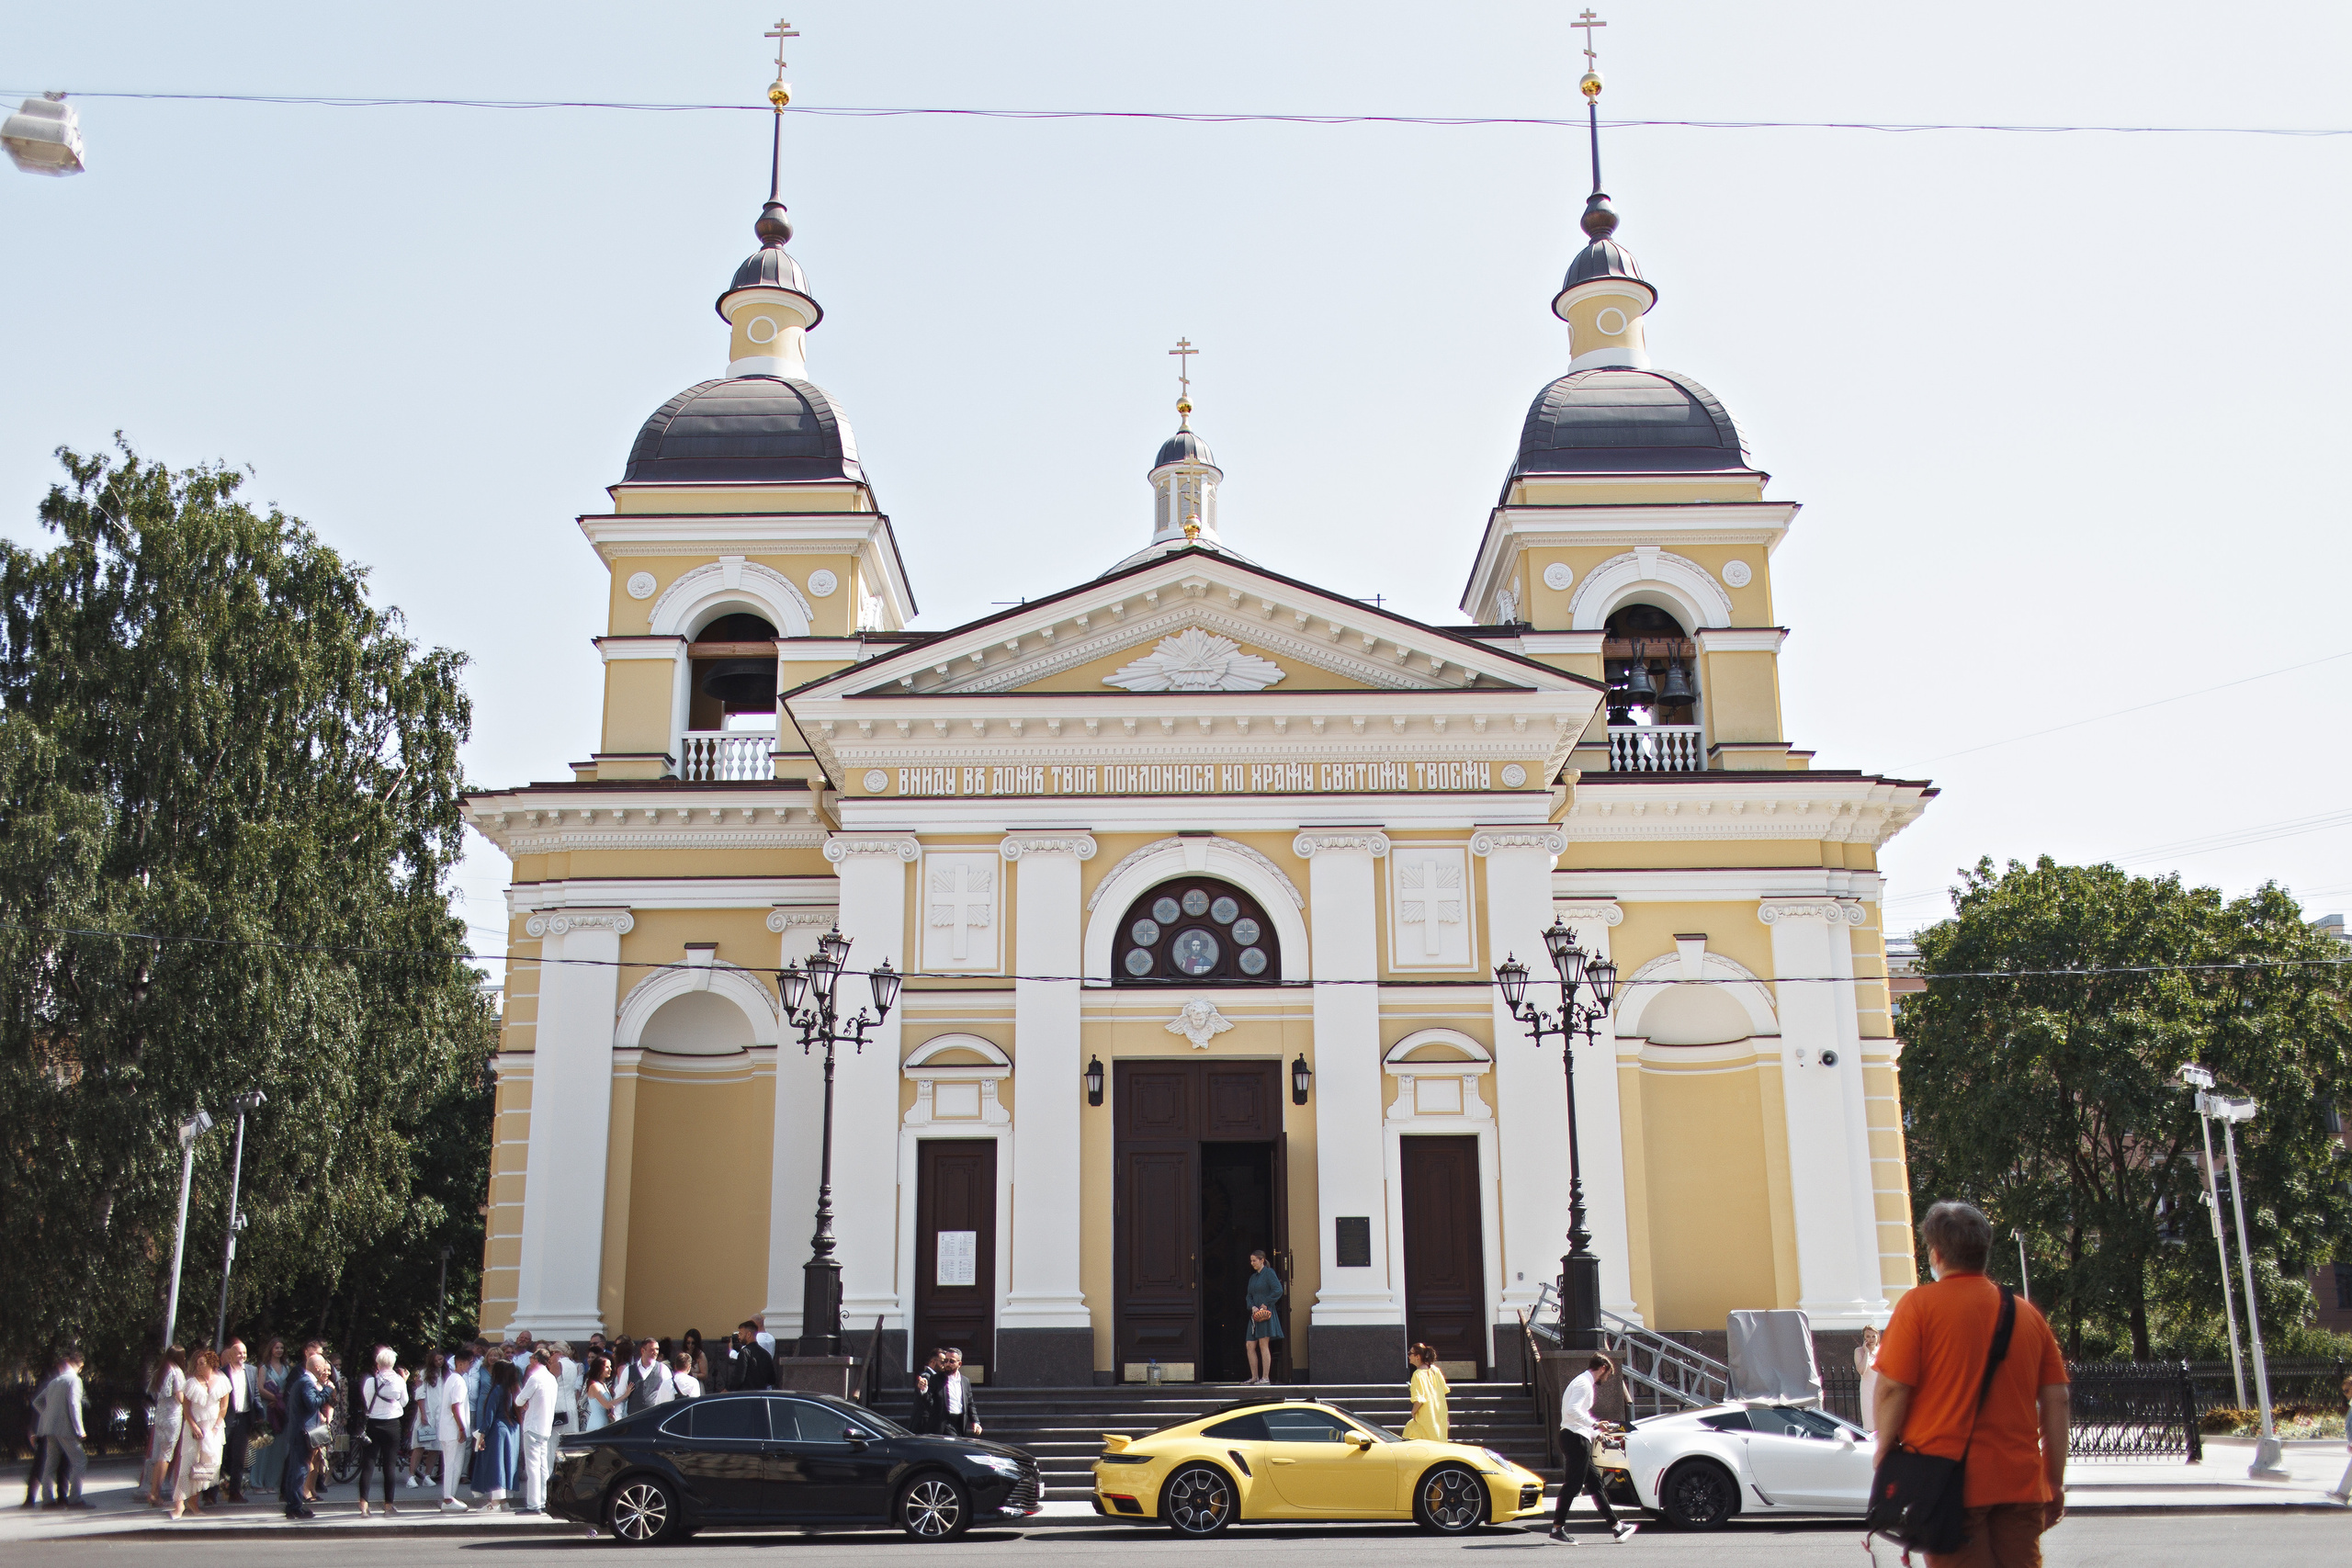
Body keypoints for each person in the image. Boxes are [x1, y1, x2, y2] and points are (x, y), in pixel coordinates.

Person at [1874, 1201, 2069, 1568]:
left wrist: (1885, 1450)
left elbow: (1892, 1388)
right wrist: (2053, 1481)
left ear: (1936, 1253)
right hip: (2021, 1482)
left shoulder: (1919, 1306)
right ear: (1984, 1250)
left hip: (1946, 1484)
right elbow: (2057, 1400)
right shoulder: (2025, 1314)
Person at [1550, 1351, 1638, 1544]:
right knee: (1573, 1485)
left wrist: (1598, 1432)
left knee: (1595, 1484)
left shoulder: (1581, 1381)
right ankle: (1557, 1528)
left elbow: (1577, 1417)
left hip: (1577, 1437)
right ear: (1603, 1368)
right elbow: (1572, 1411)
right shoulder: (1583, 1383)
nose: (1606, 1379)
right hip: (1575, 1439)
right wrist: (1595, 1425)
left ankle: (1617, 1527)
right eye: (1607, 1375)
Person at [170, 1348, 229, 1519]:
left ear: (211, 1363)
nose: (199, 1366)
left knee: (204, 1467)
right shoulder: (191, 1383)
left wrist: (216, 1427)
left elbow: (224, 1406)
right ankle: (178, 1504)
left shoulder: (222, 1381)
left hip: (213, 1428)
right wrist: (194, 1426)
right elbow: (186, 1407)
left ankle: (193, 1503)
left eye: (202, 1363)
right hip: (194, 1427)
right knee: (188, 1463)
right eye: (197, 1363)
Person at [33, 1348, 91, 1509]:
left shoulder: (55, 1382)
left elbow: (37, 1402)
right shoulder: (74, 1380)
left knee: (50, 1464)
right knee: (80, 1461)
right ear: (79, 1365)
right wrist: (80, 1430)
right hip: (66, 1428)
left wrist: (48, 1414)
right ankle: (75, 1499)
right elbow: (74, 1405)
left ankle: (47, 1500)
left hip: (49, 1428)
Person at [355, 1347, 409, 1517]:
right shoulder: (399, 1381)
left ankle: (363, 1504)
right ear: (393, 1363)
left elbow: (367, 1400)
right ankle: (388, 1505)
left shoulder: (370, 1381)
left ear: (377, 1364)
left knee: (368, 1464)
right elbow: (405, 1402)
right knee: (389, 1466)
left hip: (372, 1424)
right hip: (392, 1424)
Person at [279, 1348, 328, 1519]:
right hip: (302, 1432)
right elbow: (312, 1403)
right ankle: (294, 1506)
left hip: (299, 1431)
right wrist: (326, 1391)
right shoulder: (307, 1382)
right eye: (323, 1366)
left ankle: (294, 1505)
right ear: (317, 1368)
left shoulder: (303, 1381)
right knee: (299, 1470)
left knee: (297, 1469)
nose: (325, 1369)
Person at [516, 1349, 561, 1515]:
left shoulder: (535, 1378)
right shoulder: (551, 1379)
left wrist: (526, 1402)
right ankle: (543, 1500)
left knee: (533, 1466)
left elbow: (519, 1399)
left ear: (535, 1360)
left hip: (533, 1425)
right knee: (543, 1465)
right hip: (545, 1426)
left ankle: (533, 1504)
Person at [215, 1339, 259, 1504]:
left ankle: (235, 1492)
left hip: (244, 1418)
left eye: (245, 1353)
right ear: (231, 1355)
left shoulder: (252, 1371)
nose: (243, 1356)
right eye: (239, 1353)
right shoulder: (221, 1372)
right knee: (219, 1457)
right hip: (225, 1419)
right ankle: (211, 1494)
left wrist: (259, 1416)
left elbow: (255, 1395)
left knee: (239, 1459)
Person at [141, 1348, 187, 1506]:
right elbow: (180, 1396)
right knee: (166, 1457)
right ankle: (155, 1493)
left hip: (160, 1416)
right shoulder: (177, 1372)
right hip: (173, 1417)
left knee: (162, 1454)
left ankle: (153, 1491)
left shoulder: (160, 1371)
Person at [477, 1360, 522, 1512]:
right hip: (513, 1429)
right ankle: (504, 1501)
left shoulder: (497, 1389)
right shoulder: (514, 1389)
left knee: (496, 1466)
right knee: (509, 1465)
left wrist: (482, 1434)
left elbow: (489, 1414)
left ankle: (494, 1503)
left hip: (498, 1429)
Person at [252, 1337, 290, 1497]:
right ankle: (257, 1482)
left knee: (279, 1448)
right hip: (268, 1408)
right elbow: (259, 1388)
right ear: (271, 1349)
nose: (279, 1350)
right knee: (263, 1447)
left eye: (281, 1348)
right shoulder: (264, 1367)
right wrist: (275, 1399)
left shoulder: (287, 1367)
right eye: (276, 1348)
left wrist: (282, 1400)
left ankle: (271, 1482)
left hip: (281, 1410)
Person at [437, 1348, 475, 1511]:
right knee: (453, 1464)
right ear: (460, 1362)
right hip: (453, 1430)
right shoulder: (458, 1381)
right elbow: (456, 1406)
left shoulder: (451, 1378)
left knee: (451, 1464)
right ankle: (448, 1498)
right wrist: (461, 1428)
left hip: (448, 1429)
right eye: (469, 1362)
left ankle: (450, 1497)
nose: (470, 1366)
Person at [1243, 1249, 1284, 1385]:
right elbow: (1249, 1295)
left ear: (1262, 1260)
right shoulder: (1253, 1277)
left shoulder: (1269, 1273)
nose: (1252, 1263)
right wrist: (1252, 1306)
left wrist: (1266, 1303)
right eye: (1251, 1260)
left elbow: (1278, 1290)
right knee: (1250, 1345)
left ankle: (1265, 1377)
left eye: (1254, 1260)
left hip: (1266, 1314)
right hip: (1255, 1315)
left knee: (1263, 1344)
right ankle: (1254, 1377)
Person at [1403, 1343, 1450, 1441]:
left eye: (1410, 1353)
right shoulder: (1435, 1371)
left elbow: (1419, 1399)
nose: (1408, 1356)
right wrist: (1447, 1418)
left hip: (1426, 1416)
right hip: (1439, 1414)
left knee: (1413, 1437)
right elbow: (1443, 1393)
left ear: (1417, 1356)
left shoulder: (1417, 1375)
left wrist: (1413, 1411)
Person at [614, 1338, 671, 1415]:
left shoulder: (663, 1369)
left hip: (655, 1418)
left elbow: (669, 1394)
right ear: (643, 1350)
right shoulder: (629, 1370)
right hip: (634, 1419)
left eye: (657, 1349)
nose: (655, 1352)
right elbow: (620, 1396)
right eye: (652, 1350)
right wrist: (618, 1419)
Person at [935, 1348, 982, 1438]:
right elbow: (928, 1399)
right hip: (944, 1422)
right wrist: (923, 1390)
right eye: (946, 1361)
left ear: (959, 1364)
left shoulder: (965, 1381)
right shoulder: (936, 1379)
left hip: (960, 1422)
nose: (948, 1364)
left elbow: (970, 1404)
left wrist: (975, 1422)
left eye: (952, 1361)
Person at [726, 1321, 775, 1392]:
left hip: (747, 1396)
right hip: (761, 1395)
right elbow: (772, 1380)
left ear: (748, 1334)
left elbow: (739, 1377)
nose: (739, 1336)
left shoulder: (745, 1352)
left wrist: (729, 1389)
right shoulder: (765, 1354)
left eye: (740, 1333)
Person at [910, 1348, 949, 1435]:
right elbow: (926, 1397)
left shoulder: (940, 1378)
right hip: (924, 1424)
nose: (945, 1365)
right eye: (943, 1362)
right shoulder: (926, 1377)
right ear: (932, 1362)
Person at [1857, 1325, 1883, 1434]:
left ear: (1877, 1337)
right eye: (1868, 1336)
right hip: (1867, 1391)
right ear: (1864, 1337)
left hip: (1881, 1390)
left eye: (1873, 1336)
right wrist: (1866, 1352)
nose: (1871, 1339)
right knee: (1869, 1421)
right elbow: (1861, 1371)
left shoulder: (1883, 1350)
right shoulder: (1859, 1351)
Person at [581, 1354, 617, 1434]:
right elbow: (608, 1405)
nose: (610, 1369)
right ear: (599, 1368)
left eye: (610, 1366)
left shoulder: (603, 1384)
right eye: (607, 1367)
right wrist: (625, 1395)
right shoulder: (594, 1386)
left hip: (605, 1422)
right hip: (597, 1423)